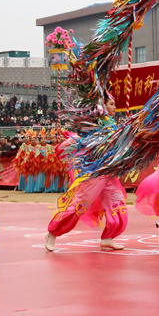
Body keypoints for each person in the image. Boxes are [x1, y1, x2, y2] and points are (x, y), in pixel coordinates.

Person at [45, 97, 128, 252]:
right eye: (112, 104)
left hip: (109, 174)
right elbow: (66, 147)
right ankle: (52, 233)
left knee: (118, 205)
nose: (115, 107)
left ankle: (107, 239)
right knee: (78, 206)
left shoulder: (112, 127)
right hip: (94, 174)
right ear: (101, 108)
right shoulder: (91, 129)